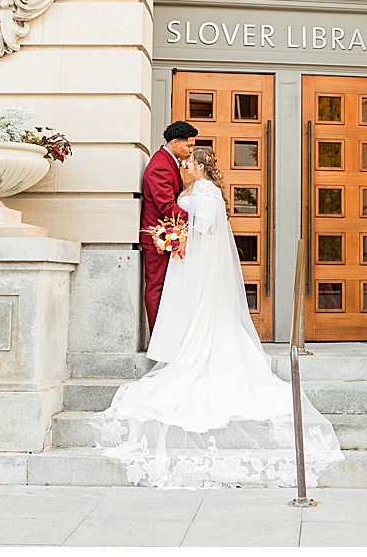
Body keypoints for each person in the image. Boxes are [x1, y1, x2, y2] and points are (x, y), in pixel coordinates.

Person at [92, 147, 345, 489]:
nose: (186, 167)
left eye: (190, 163)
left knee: (206, 324)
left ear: (200, 166)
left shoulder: (209, 195)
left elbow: (205, 229)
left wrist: (179, 235)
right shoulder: (198, 191)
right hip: (190, 261)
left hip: (199, 265)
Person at [139, 121, 197, 332]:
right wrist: (196, 219)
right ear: (174, 143)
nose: (191, 150)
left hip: (168, 237)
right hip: (158, 238)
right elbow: (166, 205)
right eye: (188, 146)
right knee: (157, 287)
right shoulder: (161, 165)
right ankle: (157, 338)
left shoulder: (168, 161)